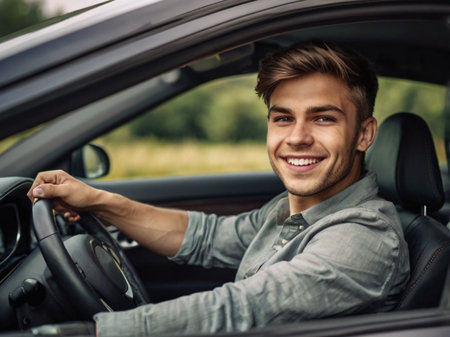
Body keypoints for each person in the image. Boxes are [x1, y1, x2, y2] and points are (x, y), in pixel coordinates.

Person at [27, 41, 410, 337]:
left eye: (323, 118)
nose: (297, 137)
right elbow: (205, 236)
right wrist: (98, 201)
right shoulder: (294, 210)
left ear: (363, 134)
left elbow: (244, 308)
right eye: (282, 118)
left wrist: (94, 331)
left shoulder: (364, 235)